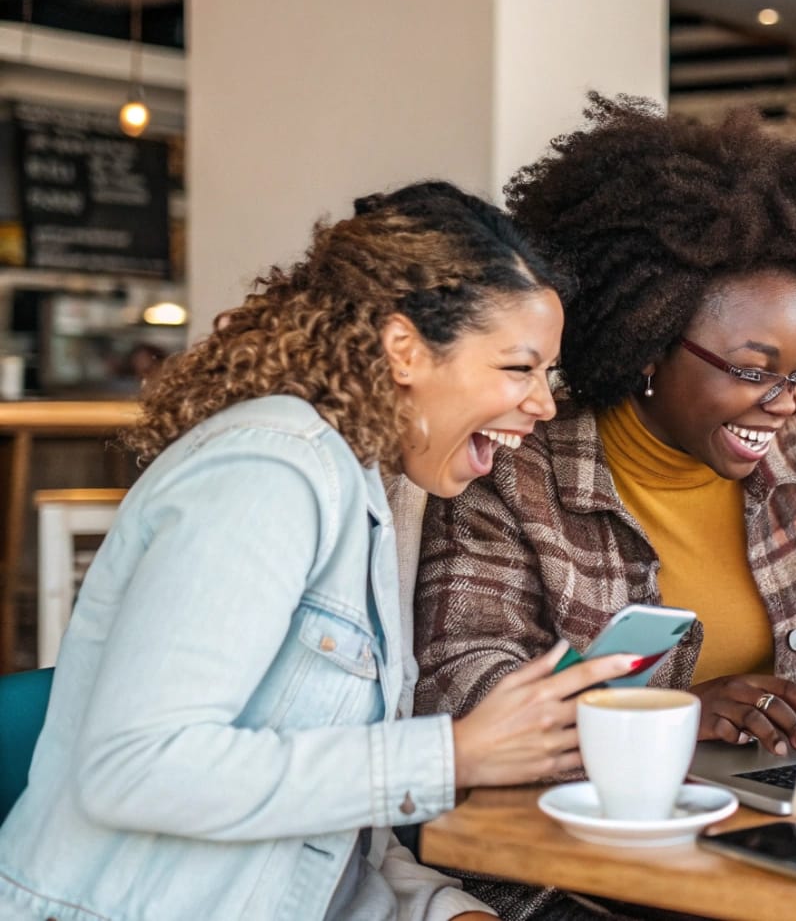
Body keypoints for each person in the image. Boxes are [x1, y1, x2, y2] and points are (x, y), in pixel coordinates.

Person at [0, 181, 644, 921]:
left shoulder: (371, 490)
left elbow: (331, 847)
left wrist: (444, 910)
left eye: (547, 374)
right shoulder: (269, 471)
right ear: (404, 349)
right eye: (518, 368)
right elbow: (135, 768)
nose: (544, 403)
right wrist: (454, 757)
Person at [413, 96, 796, 920]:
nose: (785, 404)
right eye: (753, 370)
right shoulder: (513, 469)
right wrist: (674, 714)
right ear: (647, 346)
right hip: (574, 875)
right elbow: (463, 691)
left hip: (768, 845)